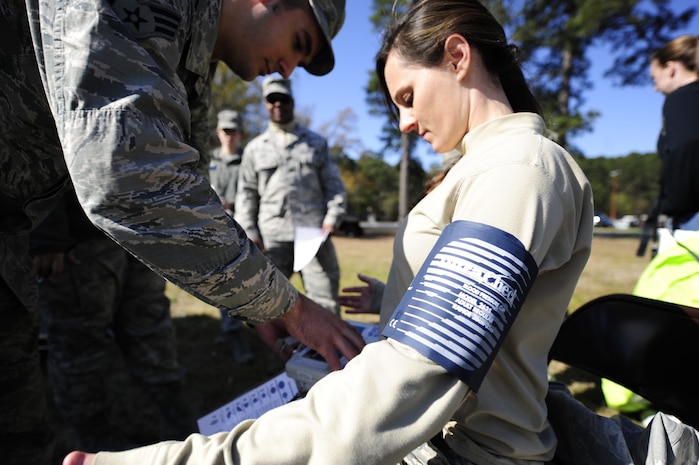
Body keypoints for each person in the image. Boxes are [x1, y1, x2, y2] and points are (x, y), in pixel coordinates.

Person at [60, 1, 600, 464]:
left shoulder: (519, 169)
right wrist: (392, 305)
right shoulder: (488, 167)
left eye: (407, 97)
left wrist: (184, 457)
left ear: (458, 58)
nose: (404, 124)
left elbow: (408, 382)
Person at [0, 1, 364, 464]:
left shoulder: (194, 51)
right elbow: (129, 176)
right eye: (299, 43)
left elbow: (189, 185)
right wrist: (289, 306)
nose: (289, 71)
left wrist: (258, 304)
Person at [31, 188, 198, 452]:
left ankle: (181, 422)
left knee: (151, 328)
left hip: (140, 227)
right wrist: (47, 235)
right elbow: (38, 157)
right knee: (81, 343)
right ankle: (92, 442)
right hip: (81, 238)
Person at [235, 76, 347, 315]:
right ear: (265, 104)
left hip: (313, 234)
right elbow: (246, 193)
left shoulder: (315, 143)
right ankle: (277, 351)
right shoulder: (255, 148)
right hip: (272, 237)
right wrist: (250, 231)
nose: (278, 105)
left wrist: (331, 220)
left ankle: (325, 352)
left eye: (282, 99)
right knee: (266, 304)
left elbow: (334, 186)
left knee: (325, 301)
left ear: (292, 102)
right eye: (272, 100)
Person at [208, 109, 254, 363]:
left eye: (233, 131)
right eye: (225, 131)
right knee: (219, 282)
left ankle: (238, 333)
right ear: (218, 132)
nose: (229, 136)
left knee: (238, 281)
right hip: (214, 228)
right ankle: (228, 330)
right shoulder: (208, 159)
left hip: (241, 227)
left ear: (240, 134)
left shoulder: (248, 159)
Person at [649, 34, 699, 231]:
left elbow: (689, 146)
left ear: (670, 69)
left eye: (655, 78)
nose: (655, 88)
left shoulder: (683, 98)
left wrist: (673, 205)